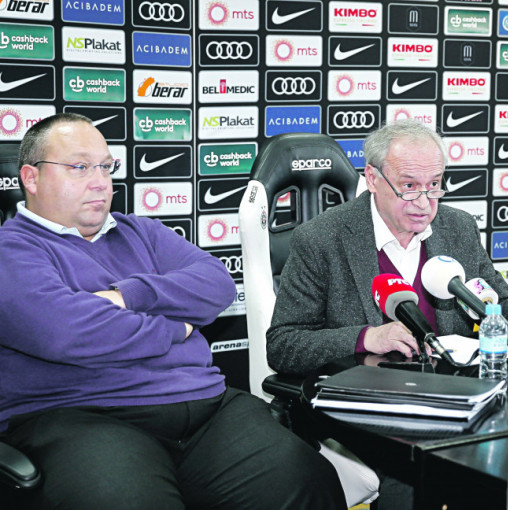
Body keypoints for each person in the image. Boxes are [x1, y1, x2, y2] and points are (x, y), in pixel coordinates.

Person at [0, 113, 345, 510]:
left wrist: (126, 296)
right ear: (31, 178)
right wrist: (177, 329)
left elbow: (216, 284)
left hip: (207, 410)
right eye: (80, 167)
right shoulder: (13, 249)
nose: (100, 182)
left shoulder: (141, 232)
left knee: (306, 480)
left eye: (106, 167)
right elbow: (67, 331)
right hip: (85, 415)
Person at [267, 119, 508, 375]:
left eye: (434, 185)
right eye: (409, 186)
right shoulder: (320, 239)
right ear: (372, 179)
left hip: (452, 389)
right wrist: (366, 338)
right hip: (368, 392)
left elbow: (501, 305)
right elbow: (283, 345)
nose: (424, 204)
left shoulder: (459, 228)